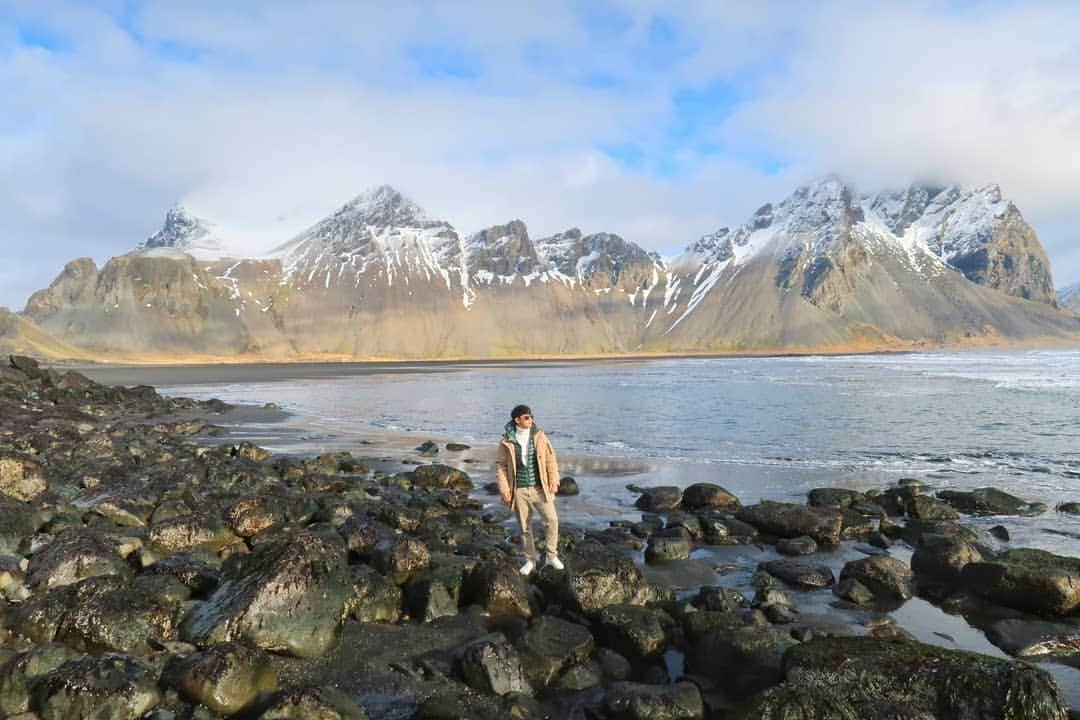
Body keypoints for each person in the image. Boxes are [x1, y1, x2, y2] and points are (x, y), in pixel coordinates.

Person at [495, 404, 563, 575]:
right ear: (517, 420)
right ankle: (530, 560)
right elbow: (501, 466)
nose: (530, 420)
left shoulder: (540, 436)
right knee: (525, 527)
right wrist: (504, 488)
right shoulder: (506, 440)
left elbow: (550, 459)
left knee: (552, 520)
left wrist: (554, 480)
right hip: (519, 490)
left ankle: (551, 556)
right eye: (526, 417)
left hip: (540, 488)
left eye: (532, 416)